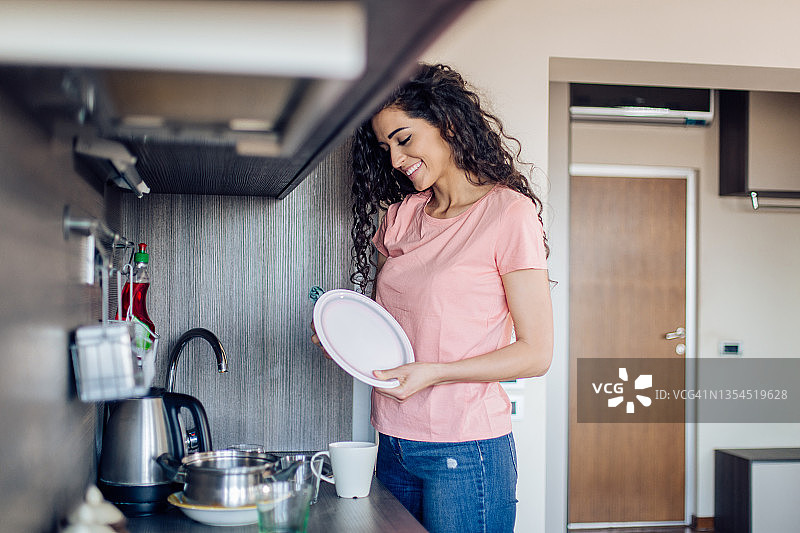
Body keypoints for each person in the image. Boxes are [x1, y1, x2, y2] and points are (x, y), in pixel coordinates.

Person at [312, 63, 553, 533]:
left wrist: (436, 373)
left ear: (449, 123)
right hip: (394, 441)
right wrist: (342, 337)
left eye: (404, 139)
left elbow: (536, 353)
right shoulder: (401, 216)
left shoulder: (508, 214)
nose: (396, 159)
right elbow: (391, 324)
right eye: (386, 148)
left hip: (466, 449)